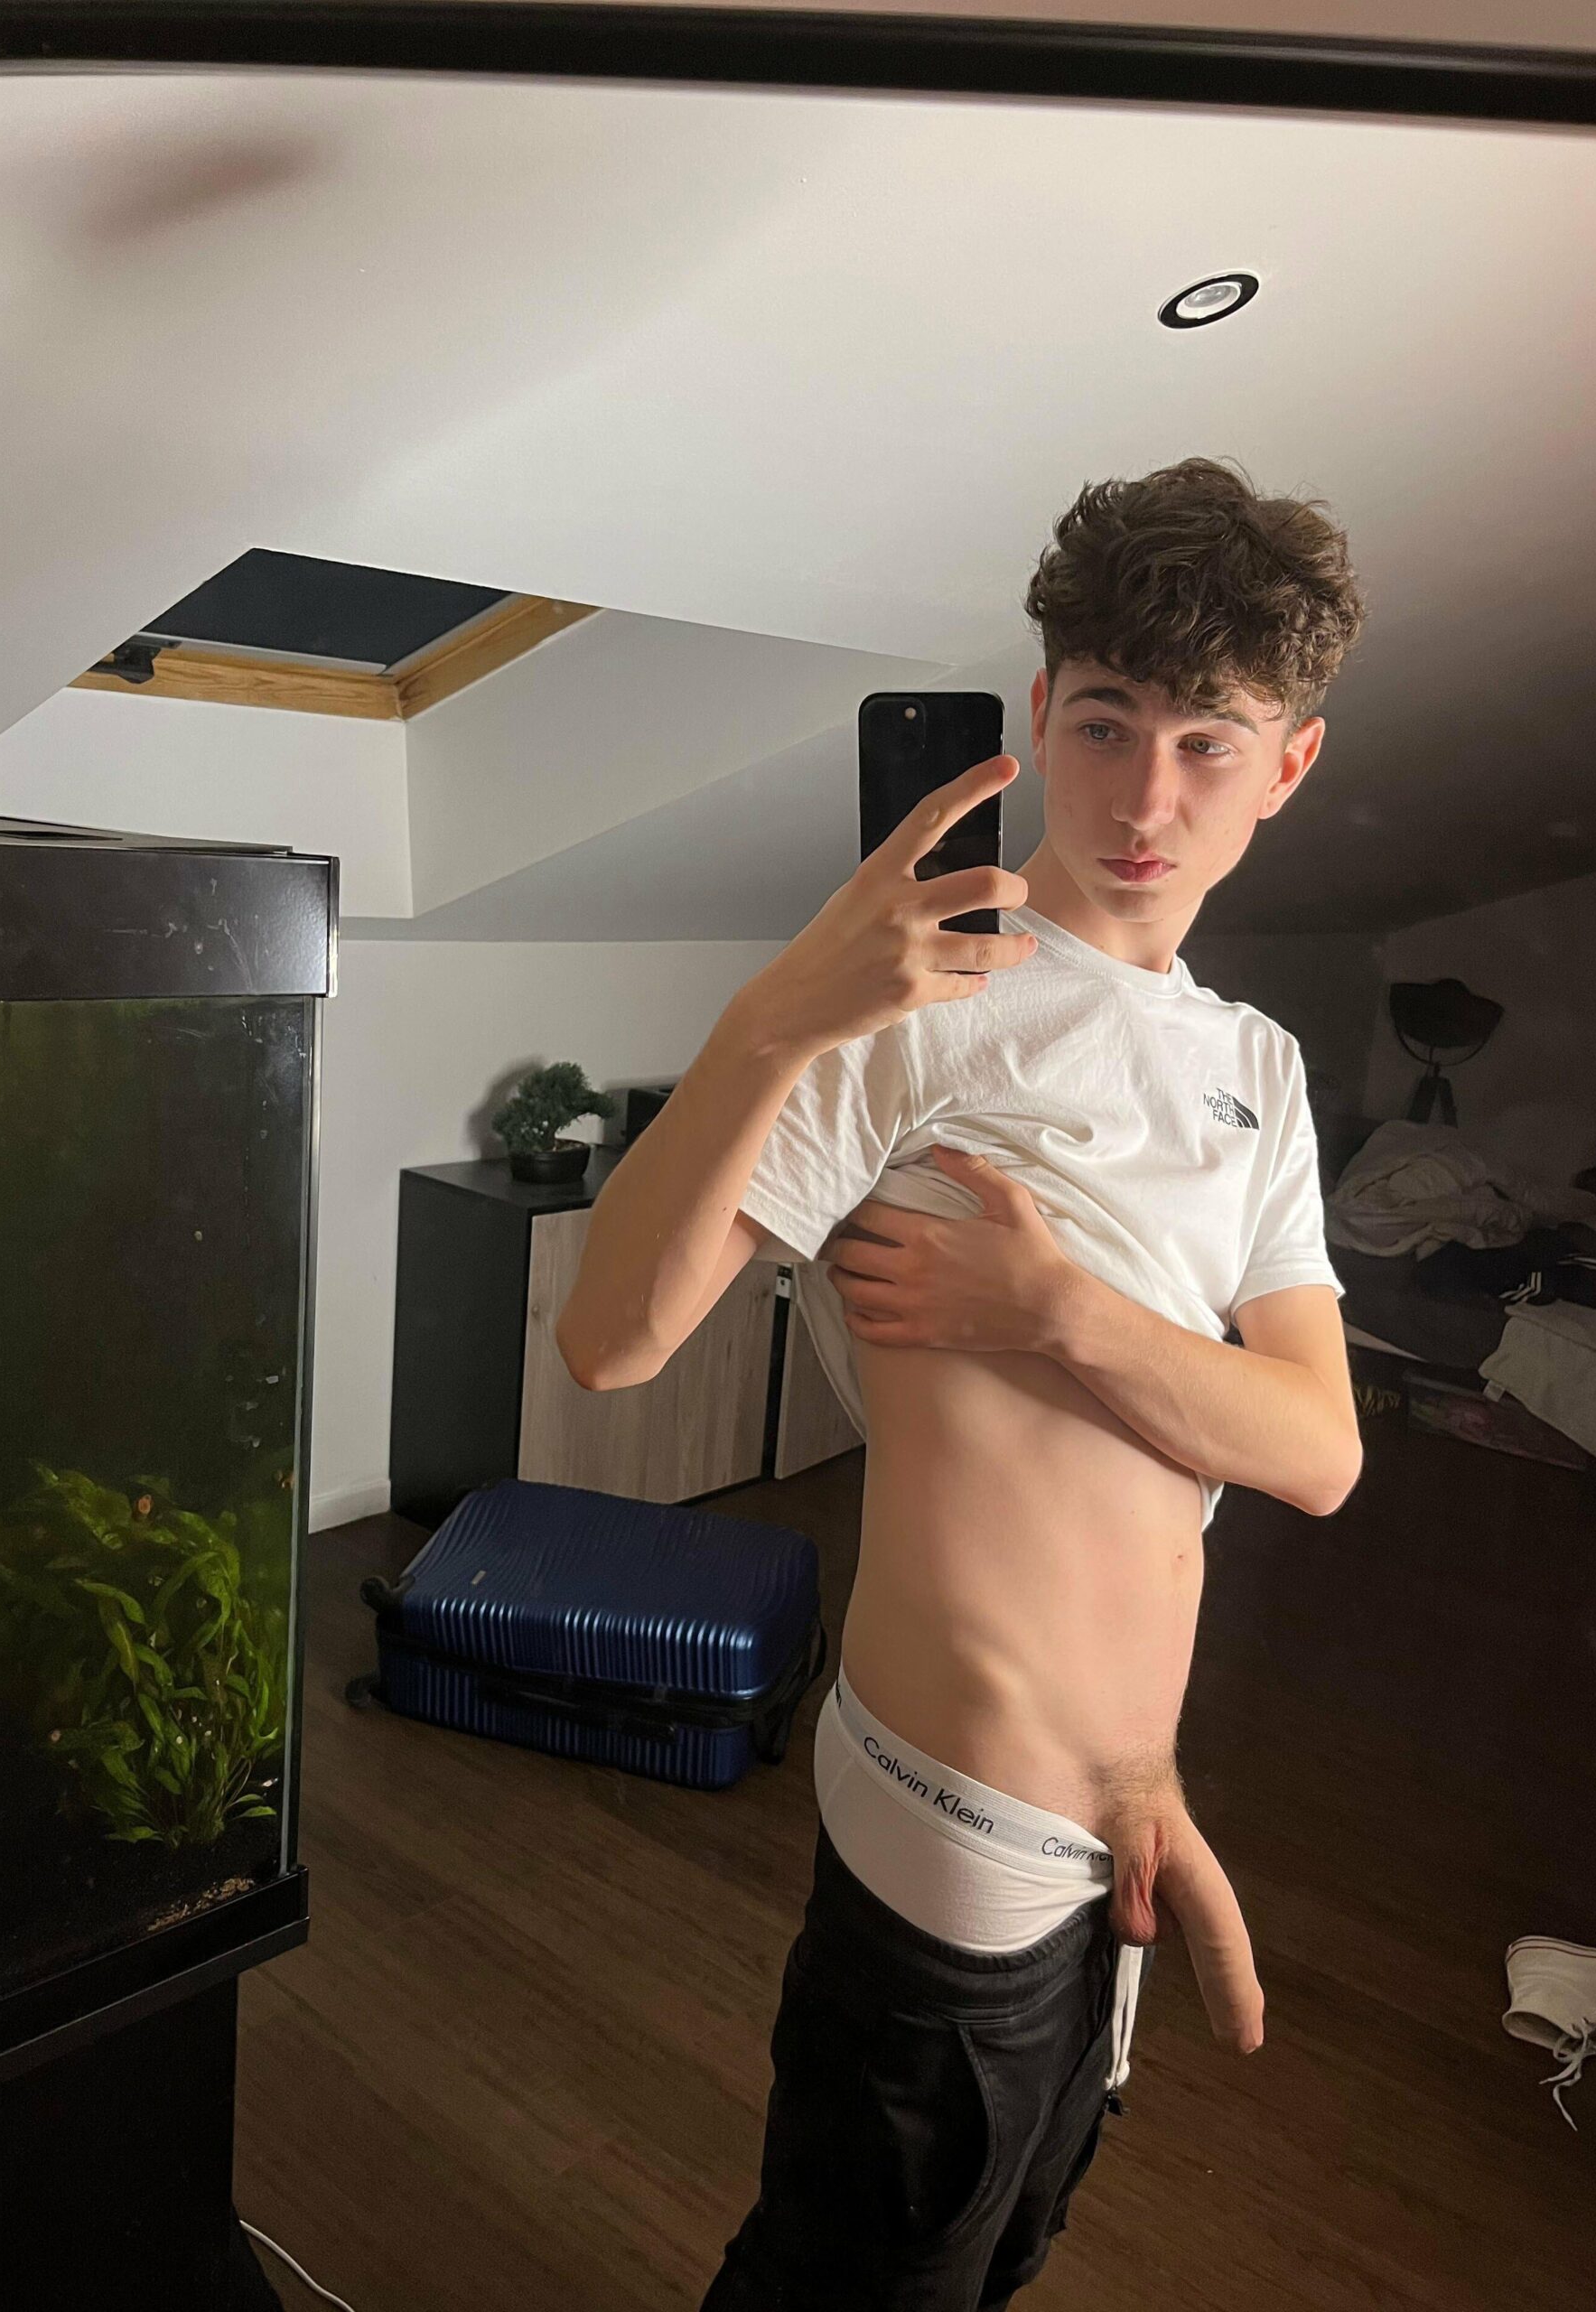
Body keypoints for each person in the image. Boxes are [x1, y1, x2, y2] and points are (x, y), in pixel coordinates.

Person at [556, 456, 1368, 2310]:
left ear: (1289, 764)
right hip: (954, 1830)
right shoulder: (919, 992)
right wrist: (773, 1013)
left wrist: (1053, 1307)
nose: (1143, 799)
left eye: (1207, 744)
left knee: (999, 2252)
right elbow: (611, 1340)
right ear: (1038, 711)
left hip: (1119, 1835)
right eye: (1104, 724)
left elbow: (1313, 1448)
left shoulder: (1256, 1064)